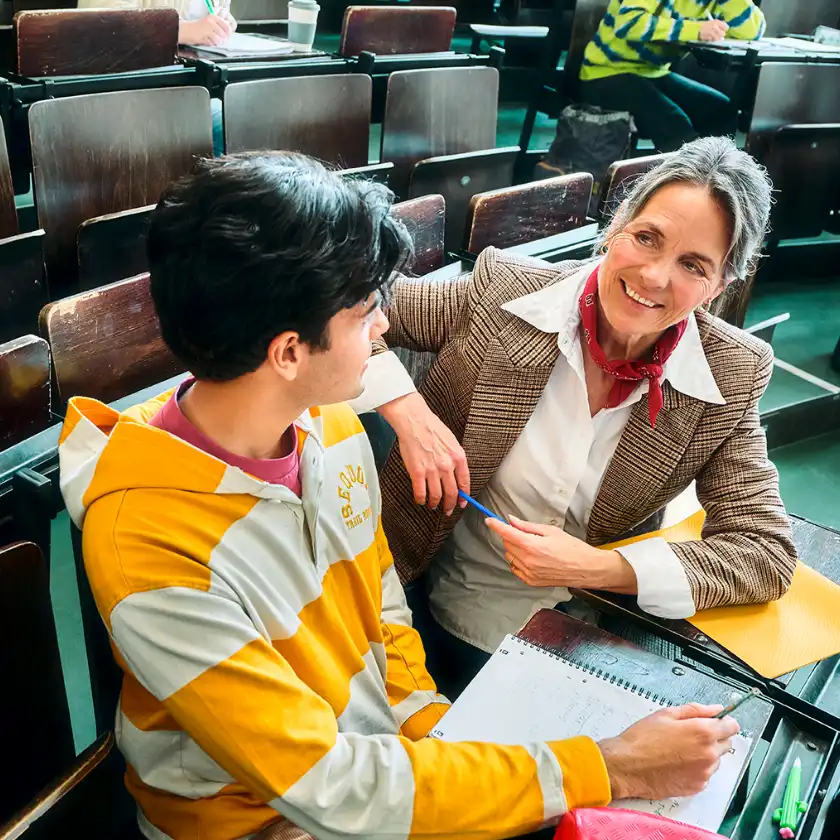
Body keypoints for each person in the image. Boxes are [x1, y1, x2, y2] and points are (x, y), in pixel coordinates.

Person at [59, 151, 740, 840]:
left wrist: (428, 722)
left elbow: (379, 603)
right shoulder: (149, 538)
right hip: (250, 821)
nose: (383, 328)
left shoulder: (322, 420)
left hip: (370, 766)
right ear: (289, 353)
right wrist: (611, 767)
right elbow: (327, 787)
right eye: (362, 315)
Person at [361, 136, 797, 698]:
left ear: (722, 284)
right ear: (616, 226)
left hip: (586, 633)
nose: (655, 277)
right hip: (431, 607)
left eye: (693, 265)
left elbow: (764, 552)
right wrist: (409, 412)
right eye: (646, 238)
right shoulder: (503, 294)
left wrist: (598, 568)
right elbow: (348, 306)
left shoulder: (730, 374)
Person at [577, 0, 765, 152]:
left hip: (654, 72)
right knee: (675, 123)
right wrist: (696, 29)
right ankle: (680, 188)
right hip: (605, 72)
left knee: (722, 111)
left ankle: (713, 180)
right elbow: (628, 22)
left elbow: (753, 32)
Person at [78, 0, 235, 153]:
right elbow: (99, 26)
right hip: (125, 96)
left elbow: (216, 15)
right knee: (229, 128)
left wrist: (221, 24)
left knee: (242, 122)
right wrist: (178, 30)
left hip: (187, 90)